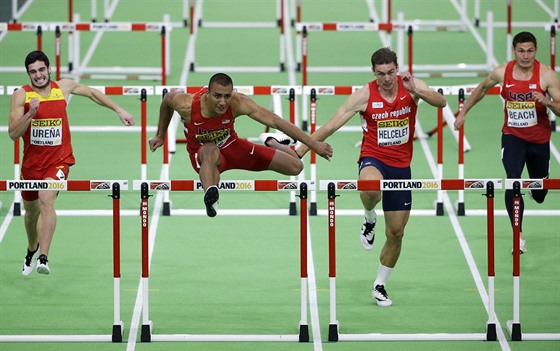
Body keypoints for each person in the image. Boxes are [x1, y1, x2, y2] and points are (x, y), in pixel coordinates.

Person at [296, 47, 447, 307]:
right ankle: (369, 217)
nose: (387, 79)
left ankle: (380, 284)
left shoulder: (412, 85)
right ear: (373, 72)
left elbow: (441, 102)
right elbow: (331, 125)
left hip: (401, 166)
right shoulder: (364, 95)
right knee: (369, 187)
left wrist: (416, 90)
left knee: (396, 233)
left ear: (396, 69)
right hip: (373, 158)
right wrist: (300, 151)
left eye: (390, 72)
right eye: (381, 74)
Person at [8, 50, 136, 276]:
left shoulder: (63, 87)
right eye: (32, 72)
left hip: (58, 161)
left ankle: (43, 257)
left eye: (41, 70)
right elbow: (12, 134)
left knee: (46, 198)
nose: (38, 75)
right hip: (31, 165)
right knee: (30, 214)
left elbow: (93, 94)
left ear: (49, 69)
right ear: (28, 74)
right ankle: (31, 249)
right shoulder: (21, 96)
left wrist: (119, 109)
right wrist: (30, 114)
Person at [148, 73, 333, 217]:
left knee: (296, 167)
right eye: (217, 96)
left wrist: (313, 144)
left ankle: (272, 142)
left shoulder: (237, 102)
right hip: (205, 154)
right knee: (210, 150)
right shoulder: (187, 105)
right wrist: (160, 135)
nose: (223, 102)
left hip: (233, 147)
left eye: (227, 96)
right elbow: (167, 102)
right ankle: (211, 196)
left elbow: (276, 121)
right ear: (207, 94)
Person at [454, 31, 560, 254]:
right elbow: (482, 89)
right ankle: (517, 235)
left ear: (535, 51)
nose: (525, 56)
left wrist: (546, 102)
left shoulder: (547, 76)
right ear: (514, 51)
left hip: (539, 140)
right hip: (512, 137)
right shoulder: (502, 72)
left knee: (540, 194)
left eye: (530, 51)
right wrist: (464, 112)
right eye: (521, 51)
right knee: (513, 181)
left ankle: (537, 186)